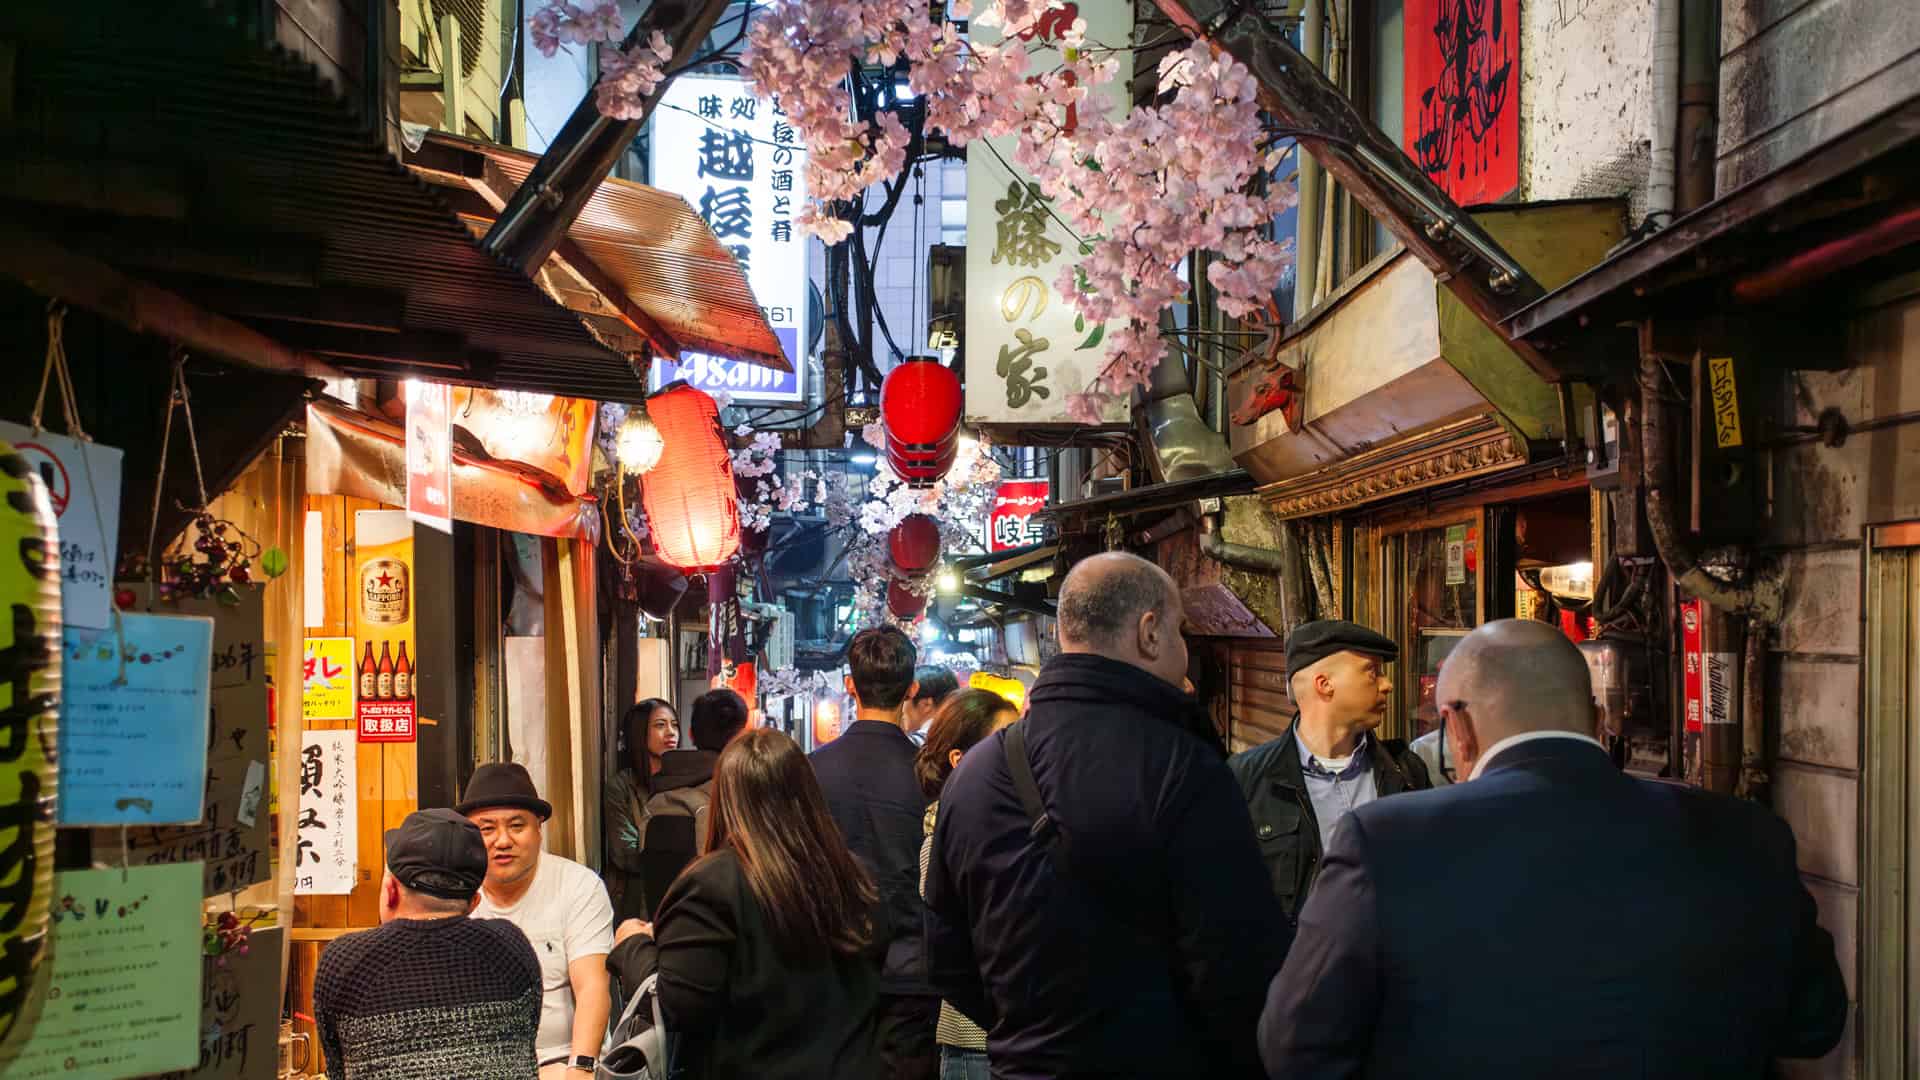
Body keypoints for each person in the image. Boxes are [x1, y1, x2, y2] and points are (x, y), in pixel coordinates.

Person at [1257, 618, 1850, 1078]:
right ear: (1597, 720)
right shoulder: (1745, 834)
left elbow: (1296, 1045)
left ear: (1456, 730)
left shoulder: (1383, 841)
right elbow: (1814, 1024)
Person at [924, 552, 1289, 1079]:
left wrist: (1029, 1032)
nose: (1184, 649)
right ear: (1148, 633)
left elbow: (948, 956)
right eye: (1180, 631)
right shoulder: (1182, 766)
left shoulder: (976, 773)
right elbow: (1238, 963)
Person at [607, 728, 884, 1079]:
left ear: (726, 798)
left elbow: (678, 1005)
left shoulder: (712, 883)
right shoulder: (856, 875)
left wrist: (633, 945)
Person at [313, 809, 541, 1079]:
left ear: (391, 891)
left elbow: (337, 1069)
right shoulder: (510, 946)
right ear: (473, 904)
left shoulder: (345, 960)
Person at [1227, 620, 1430, 919]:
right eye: (1372, 671)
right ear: (1325, 684)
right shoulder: (1246, 779)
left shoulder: (1407, 772)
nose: (1387, 684)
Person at [811, 625, 938, 1080]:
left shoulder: (813, 770)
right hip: (913, 968)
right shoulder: (928, 773)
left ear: (850, 684)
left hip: (832, 964)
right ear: (912, 689)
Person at [460, 762, 615, 1079]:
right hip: (480, 1066)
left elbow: (592, 987)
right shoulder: (456, 893)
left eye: (517, 826)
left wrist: (581, 1068)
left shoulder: (578, 886)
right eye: (487, 829)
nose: (502, 840)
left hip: (560, 1061)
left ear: (539, 828)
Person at [914, 689, 1017, 1080]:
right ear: (959, 760)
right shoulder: (941, 839)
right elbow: (952, 956)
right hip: (974, 1042)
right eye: (1002, 741)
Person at [636, 688, 751, 918]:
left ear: (690, 733)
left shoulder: (660, 792)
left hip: (662, 929)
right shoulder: (737, 795)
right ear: (741, 738)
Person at [605, 698, 679, 918]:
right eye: (660, 725)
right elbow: (624, 851)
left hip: (680, 895)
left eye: (674, 724)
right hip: (637, 901)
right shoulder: (621, 787)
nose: (670, 732)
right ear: (639, 733)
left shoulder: (684, 781)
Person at [905, 666, 960, 746]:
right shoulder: (959, 735)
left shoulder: (913, 744)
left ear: (926, 704)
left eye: (906, 699)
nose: (902, 708)